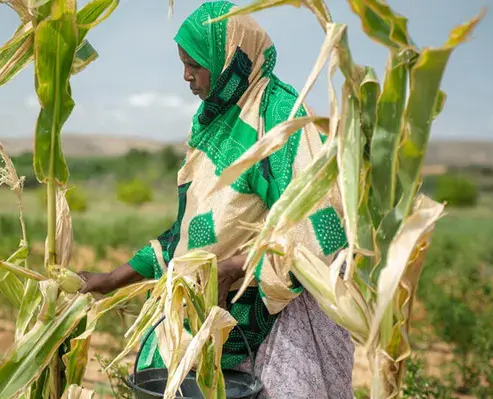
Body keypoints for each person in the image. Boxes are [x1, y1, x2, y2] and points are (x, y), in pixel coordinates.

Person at [78, 2, 354, 397]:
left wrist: (241, 265)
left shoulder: (280, 118)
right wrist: (111, 280)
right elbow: (188, 235)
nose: (186, 76)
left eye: (195, 64)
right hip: (209, 313)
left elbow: (321, 224)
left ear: (229, 61)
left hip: (279, 316)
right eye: (183, 63)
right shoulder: (215, 122)